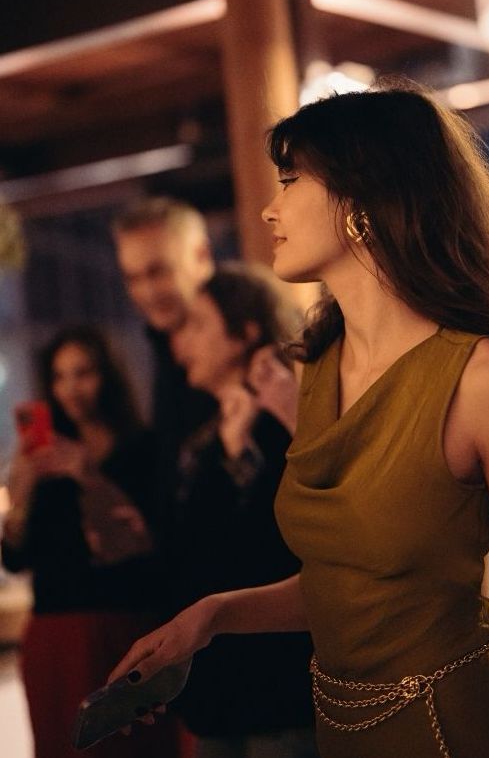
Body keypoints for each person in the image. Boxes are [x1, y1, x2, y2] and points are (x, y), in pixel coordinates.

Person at [109, 85, 489, 758]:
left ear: (361, 201)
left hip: (461, 734)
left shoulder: (484, 373)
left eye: (291, 181)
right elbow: (352, 588)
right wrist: (211, 616)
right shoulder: (317, 365)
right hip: (346, 733)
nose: (270, 208)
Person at [1, 325, 180, 758]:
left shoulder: (142, 448)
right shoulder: (40, 460)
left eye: (83, 373)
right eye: (59, 376)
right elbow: (16, 557)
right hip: (54, 629)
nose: (71, 388)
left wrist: (89, 476)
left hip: (123, 625)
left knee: (133, 747)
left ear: (107, 376)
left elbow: (152, 546)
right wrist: (21, 494)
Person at [166, 263, 316, 757]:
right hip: (222, 689)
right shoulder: (212, 430)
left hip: (277, 688)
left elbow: (270, 549)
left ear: (245, 333)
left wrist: (238, 458)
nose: (181, 342)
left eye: (198, 324)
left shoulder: (282, 419)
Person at [112, 198, 218, 547]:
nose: (147, 292)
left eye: (158, 271)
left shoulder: (244, 342)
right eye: (132, 278)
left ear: (201, 256)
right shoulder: (162, 343)